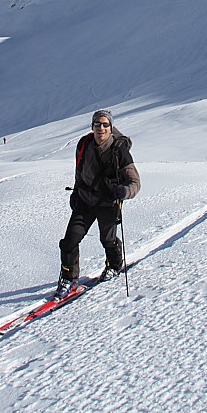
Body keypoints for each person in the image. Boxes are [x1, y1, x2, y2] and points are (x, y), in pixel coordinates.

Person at [54, 109, 140, 300]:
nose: (101, 128)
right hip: (85, 200)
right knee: (69, 242)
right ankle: (69, 279)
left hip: (108, 203)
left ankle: (114, 264)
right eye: (97, 124)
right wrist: (76, 192)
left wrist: (125, 192)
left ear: (111, 127)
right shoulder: (84, 144)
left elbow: (135, 182)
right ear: (92, 126)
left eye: (105, 124)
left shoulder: (119, 151)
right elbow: (80, 170)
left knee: (107, 240)